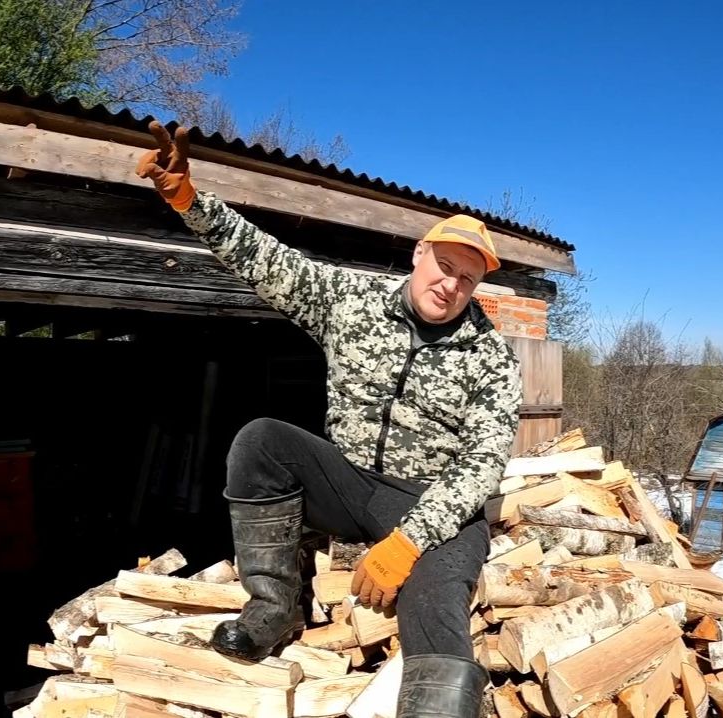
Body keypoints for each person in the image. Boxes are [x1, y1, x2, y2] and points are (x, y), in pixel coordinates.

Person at [135, 122, 522, 718]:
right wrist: (188, 200)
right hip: (351, 482)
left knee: (437, 602)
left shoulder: (490, 356)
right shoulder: (351, 301)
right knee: (261, 440)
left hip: (434, 504)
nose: (450, 285)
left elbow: (483, 461)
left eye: (466, 279)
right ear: (420, 254)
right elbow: (267, 260)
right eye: (443, 266)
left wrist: (411, 539)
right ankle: (272, 607)